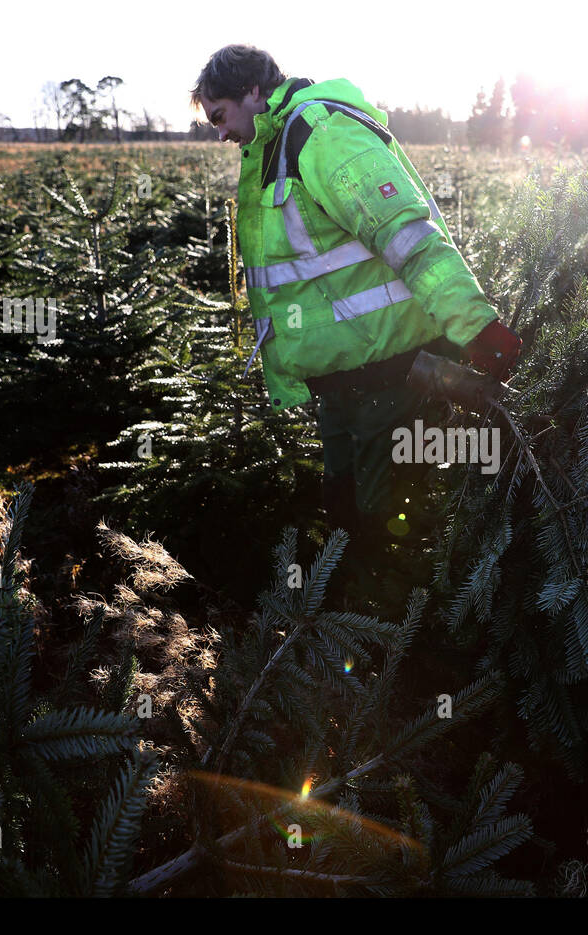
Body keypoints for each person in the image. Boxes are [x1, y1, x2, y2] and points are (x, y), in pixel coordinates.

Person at [190, 44, 520, 569]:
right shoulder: (274, 149)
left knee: (385, 529)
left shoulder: (320, 135)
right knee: (344, 520)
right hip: (343, 386)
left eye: (220, 116)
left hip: (389, 378)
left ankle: (404, 637)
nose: (220, 132)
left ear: (253, 92)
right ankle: (350, 633)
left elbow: (408, 237)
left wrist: (475, 327)